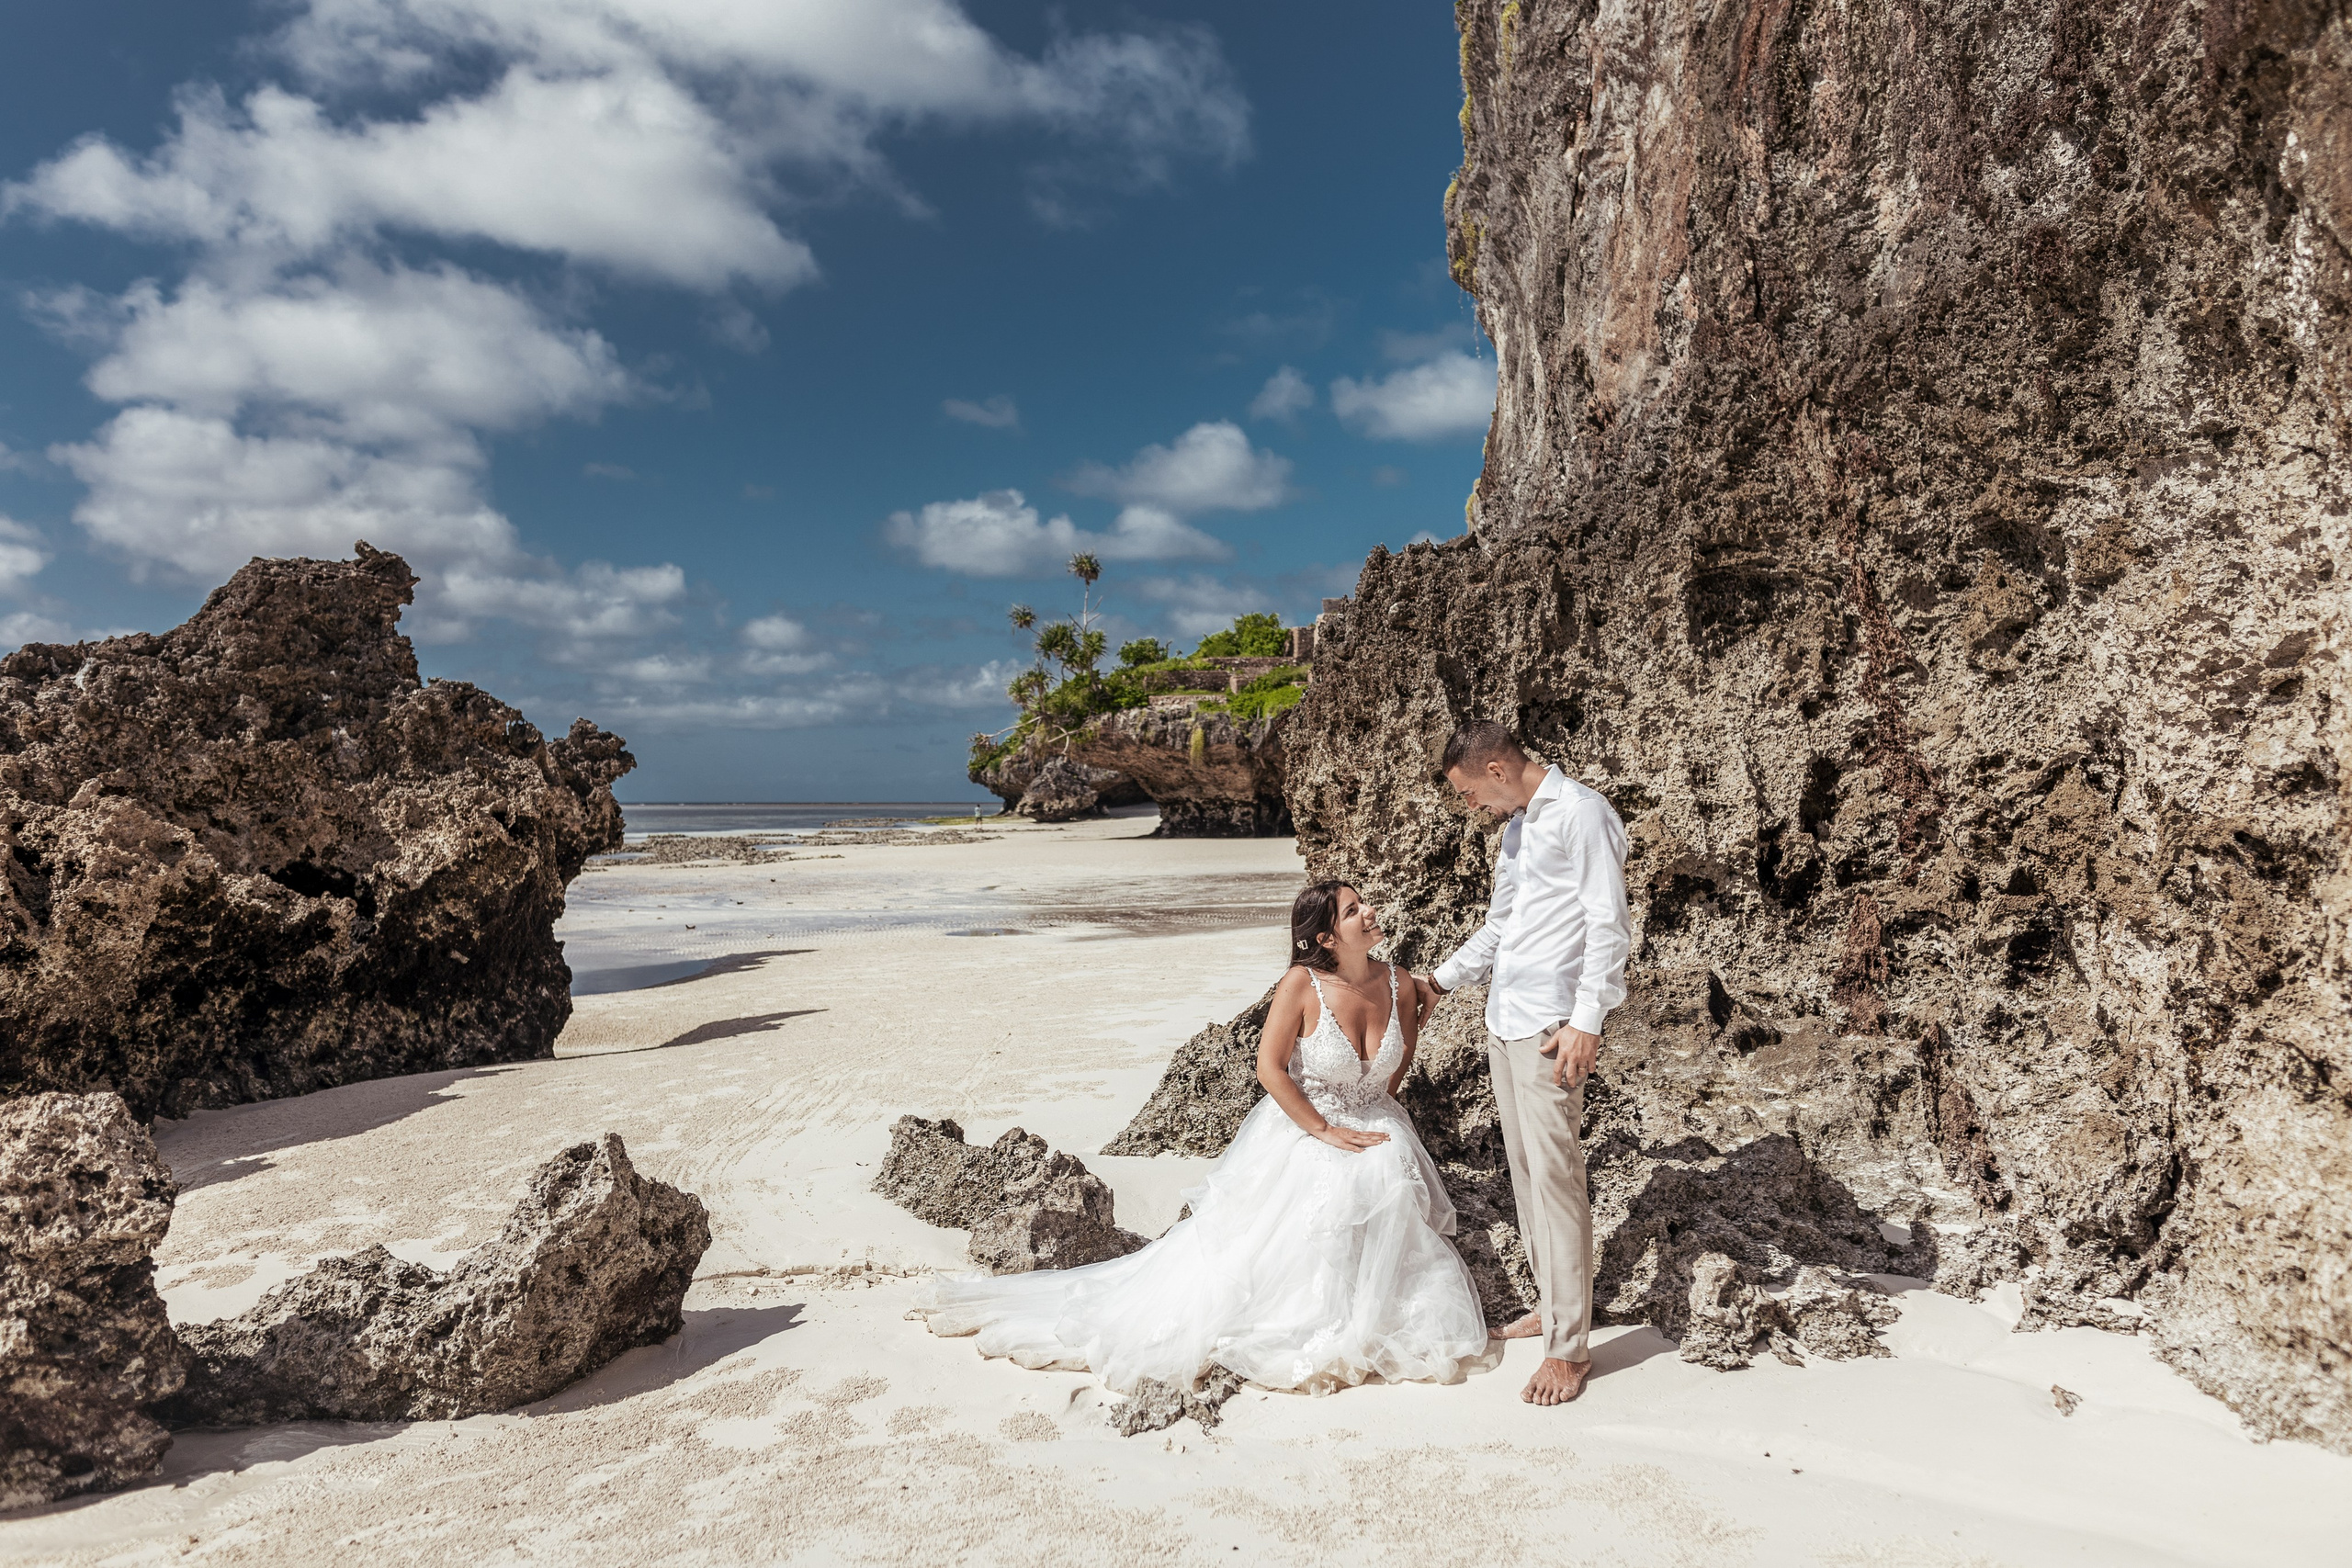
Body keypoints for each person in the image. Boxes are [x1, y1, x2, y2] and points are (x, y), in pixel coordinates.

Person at [917, 880, 1495, 1396]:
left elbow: (1398, 1063)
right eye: (1352, 910)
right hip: (1308, 1123)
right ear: (1325, 937)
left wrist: (1371, 1113)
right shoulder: (1301, 984)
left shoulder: (1400, 982)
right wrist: (1323, 1128)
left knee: (1387, 1178)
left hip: (1374, 1119)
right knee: (1315, 1201)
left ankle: (1369, 1313)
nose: (1369, 912)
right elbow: (1270, 1069)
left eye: (1362, 903)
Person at [1417, 720, 1630, 1406]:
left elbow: (1609, 923)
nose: (1470, 805)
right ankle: (1555, 1305)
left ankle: (1569, 1351)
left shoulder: (1582, 813)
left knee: (1557, 1179)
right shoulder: (1515, 831)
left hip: (1551, 1029)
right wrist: (1438, 982)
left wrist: (1587, 1021)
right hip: (1504, 1023)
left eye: (1469, 791)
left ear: (1498, 770)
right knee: (1528, 1175)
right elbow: (1501, 926)